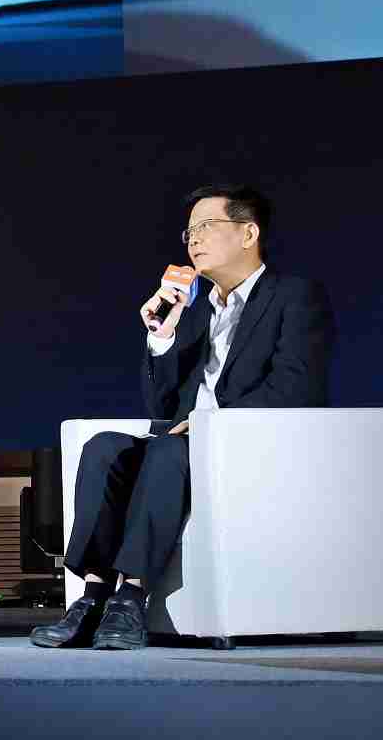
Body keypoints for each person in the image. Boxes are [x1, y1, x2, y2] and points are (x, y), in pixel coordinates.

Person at [35, 185, 336, 651]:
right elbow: (162, 407)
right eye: (189, 231)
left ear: (248, 233)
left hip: (251, 446)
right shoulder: (194, 311)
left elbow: (297, 387)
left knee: (171, 452)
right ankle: (93, 596)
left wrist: (212, 425)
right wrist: (162, 335)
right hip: (185, 442)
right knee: (104, 448)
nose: (194, 239)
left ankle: (131, 597)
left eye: (207, 226)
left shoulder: (293, 296)